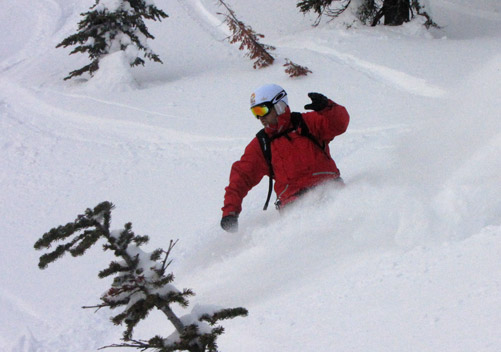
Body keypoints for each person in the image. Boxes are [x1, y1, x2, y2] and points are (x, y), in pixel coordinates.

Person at [220, 84, 350, 232]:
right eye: (255, 112)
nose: (260, 118)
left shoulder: (307, 124)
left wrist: (327, 108)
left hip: (331, 192)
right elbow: (241, 177)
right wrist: (230, 212)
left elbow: (339, 124)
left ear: (279, 105)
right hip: (295, 207)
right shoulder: (262, 144)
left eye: (263, 110)